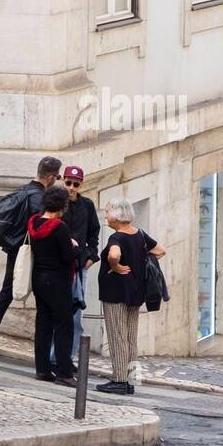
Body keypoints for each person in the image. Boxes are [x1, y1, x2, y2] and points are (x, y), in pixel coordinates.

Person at [0, 156, 61, 358]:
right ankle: (50, 355)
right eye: (57, 177)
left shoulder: (22, 191)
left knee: (6, 294)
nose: (56, 181)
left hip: (16, 251)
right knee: (47, 301)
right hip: (33, 255)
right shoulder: (41, 199)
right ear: (50, 177)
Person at [96, 198, 165, 394]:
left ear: (117, 215)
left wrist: (115, 266)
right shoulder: (140, 235)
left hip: (116, 293)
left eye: (108, 211)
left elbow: (114, 255)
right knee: (130, 338)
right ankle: (131, 381)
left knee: (117, 336)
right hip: (136, 292)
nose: (106, 215)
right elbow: (160, 251)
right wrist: (142, 263)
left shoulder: (116, 238)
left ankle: (119, 380)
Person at [28, 185, 78, 387]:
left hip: (38, 278)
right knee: (64, 325)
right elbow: (68, 257)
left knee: (43, 323)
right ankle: (64, 372)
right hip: (57, 281)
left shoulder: (34, 223)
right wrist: (76, 247)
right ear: (62, 206)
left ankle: (42, 369)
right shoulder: (59, 228)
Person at [58, 165, 100, 362]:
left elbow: (94, 232)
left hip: (80, 265)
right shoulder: (57, 203)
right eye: (68, 183)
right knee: (58, 313)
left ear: (81, 184)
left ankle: (71, 356)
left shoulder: (87, 205)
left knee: (76, 315)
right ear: (63, 181)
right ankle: (56, 356)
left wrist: (91, 257)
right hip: (60, 264)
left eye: (75, 184)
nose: (71, 187)